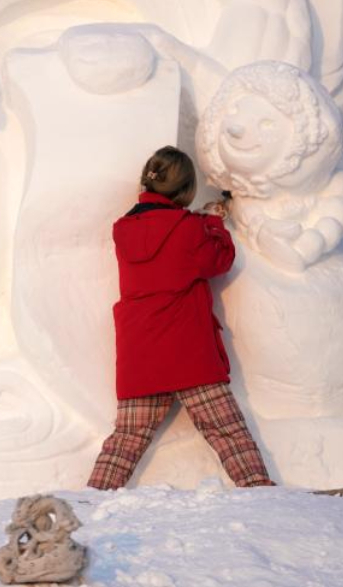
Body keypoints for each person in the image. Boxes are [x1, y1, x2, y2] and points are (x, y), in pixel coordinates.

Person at [87, 146, 274, 490]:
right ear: (186, 190)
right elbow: (219, 260)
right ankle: (259, 491)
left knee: (126, 440)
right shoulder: (189, 230)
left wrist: (196, 222)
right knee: (227, 431)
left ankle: (90, 501)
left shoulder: (123, 229)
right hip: (187, 352)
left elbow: (158, 240)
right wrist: (213, 223)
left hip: (139, 352)